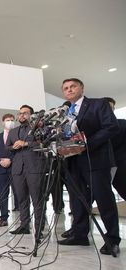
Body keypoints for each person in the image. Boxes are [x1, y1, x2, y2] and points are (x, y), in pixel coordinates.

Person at [58, 79, 120, 257]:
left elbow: (111, 127)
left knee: (104, 199)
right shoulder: (64, 112)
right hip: (72, 160)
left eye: (73, 87)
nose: (69, 90)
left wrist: (87, 143)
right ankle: (80, 235)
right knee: (78, 200)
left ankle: (113, 239)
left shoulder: (98, 104)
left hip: (95, 158)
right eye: (66, 88)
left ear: (81, 88)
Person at [6, 105, 47, 240]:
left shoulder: (38, 128)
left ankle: (39, 228)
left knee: (37, 199)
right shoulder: (13, 131)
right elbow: (7, 147)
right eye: (20, 113)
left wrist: (27, 144)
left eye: (25, 113)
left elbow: (45, 143)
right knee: (22, 199)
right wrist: (14, 146)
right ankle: (24, 226)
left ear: (31, 115)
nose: (21, 116)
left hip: (35, 168)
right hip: (18, 169)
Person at [0, 113, 15, 227]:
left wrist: (10, 160)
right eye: (7, 120)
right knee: (3, 195)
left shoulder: (18, 135)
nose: (10, 122)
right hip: (1, 170)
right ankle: (3, 218)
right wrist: (0, 160)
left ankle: (25, 220)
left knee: (21, 194)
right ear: (3, 122)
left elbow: (19, 152)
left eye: (12, 120)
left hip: (15, 169)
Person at [104, 97, 126, 201]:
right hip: (101, 167)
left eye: (111, 108)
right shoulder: (94, 128)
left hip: (121, 165)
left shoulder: (123, 124)